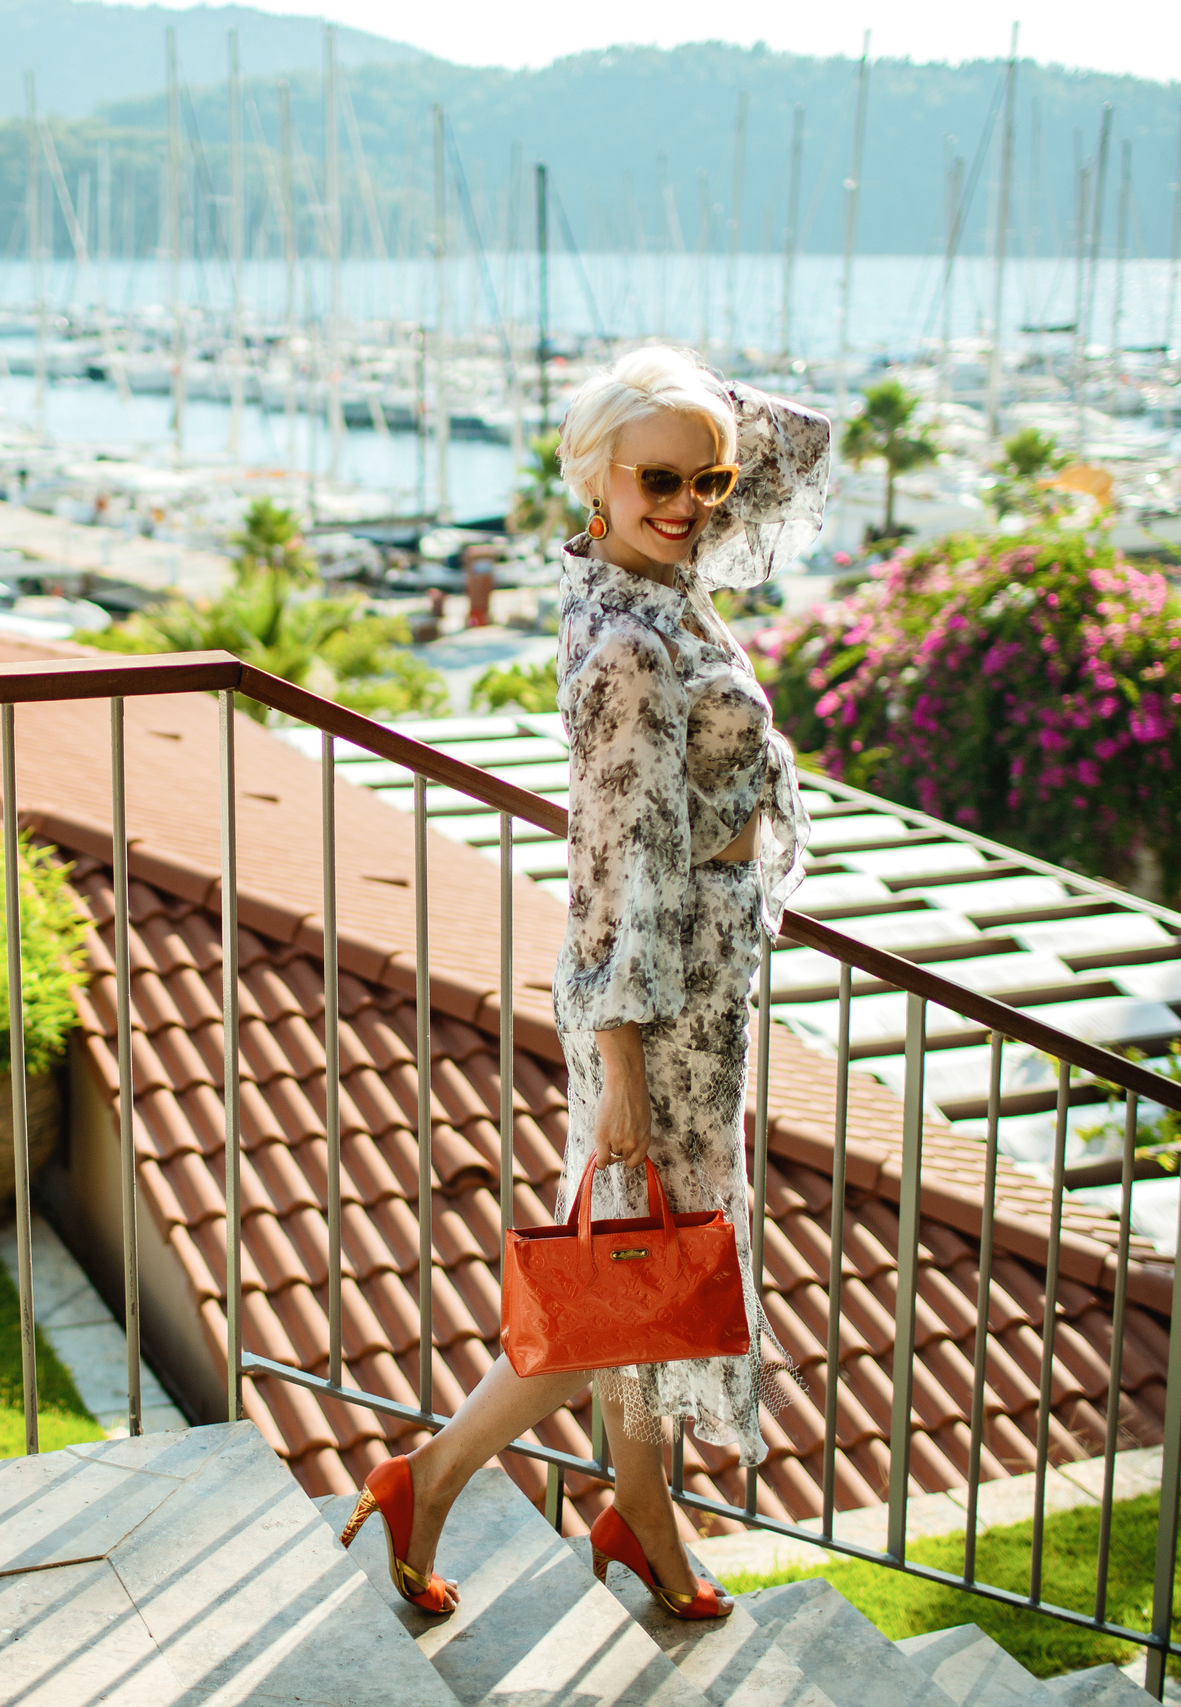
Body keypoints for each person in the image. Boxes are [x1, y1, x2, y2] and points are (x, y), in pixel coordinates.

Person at [335, 344, 832, 1620]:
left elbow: (799, 446)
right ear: (592, 477)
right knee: (621, 1294)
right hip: (653, 1016)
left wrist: (688, 406)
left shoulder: (663, 585)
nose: (692, 503)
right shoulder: (630, 645)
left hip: (697, 1000)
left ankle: (637, 1515)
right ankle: (433, 1477)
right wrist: (616, 1065)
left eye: (710, 480)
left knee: (643, 1276)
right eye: (657, 476)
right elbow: (616, 876)